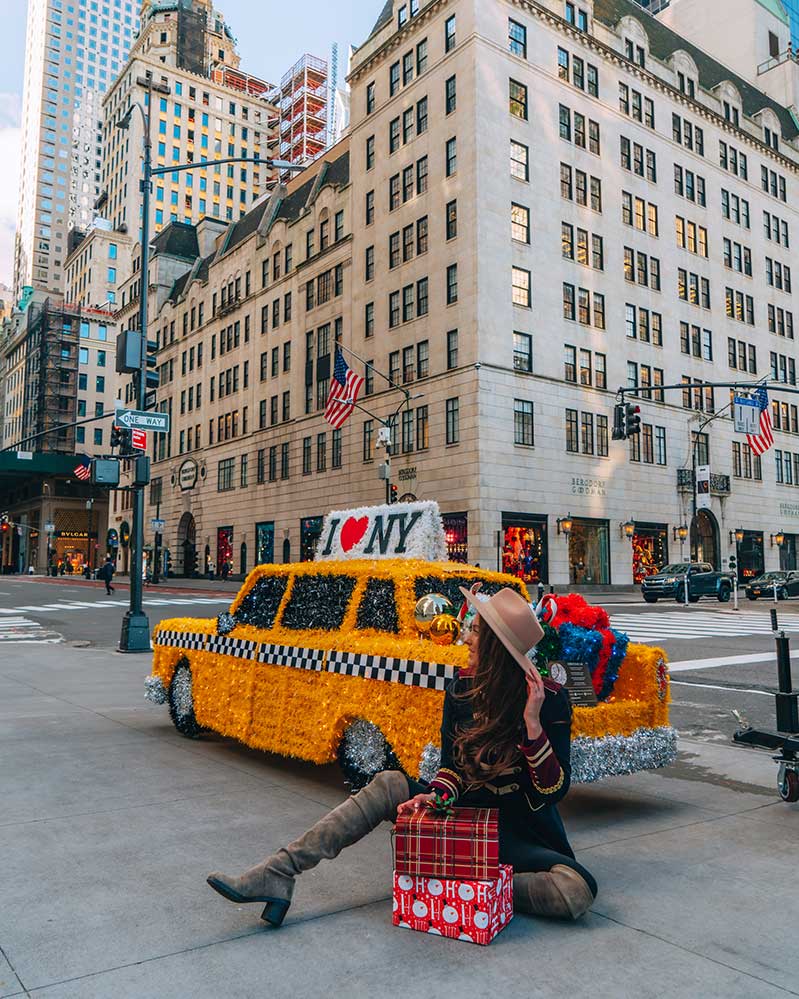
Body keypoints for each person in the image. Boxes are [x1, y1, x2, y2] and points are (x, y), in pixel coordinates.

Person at [207, 587, 597, 928]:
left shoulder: (549, 700)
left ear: (496, 644)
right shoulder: (460, 686)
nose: (465, 637)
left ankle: (475, 884)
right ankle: (277, 873)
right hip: (464, 820)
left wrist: (532, 724)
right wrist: (436, 795)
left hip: (517, 833)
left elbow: (553, 791)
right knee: (390, 782)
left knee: (575, 890)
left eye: (475, 630)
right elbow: (451, 766)